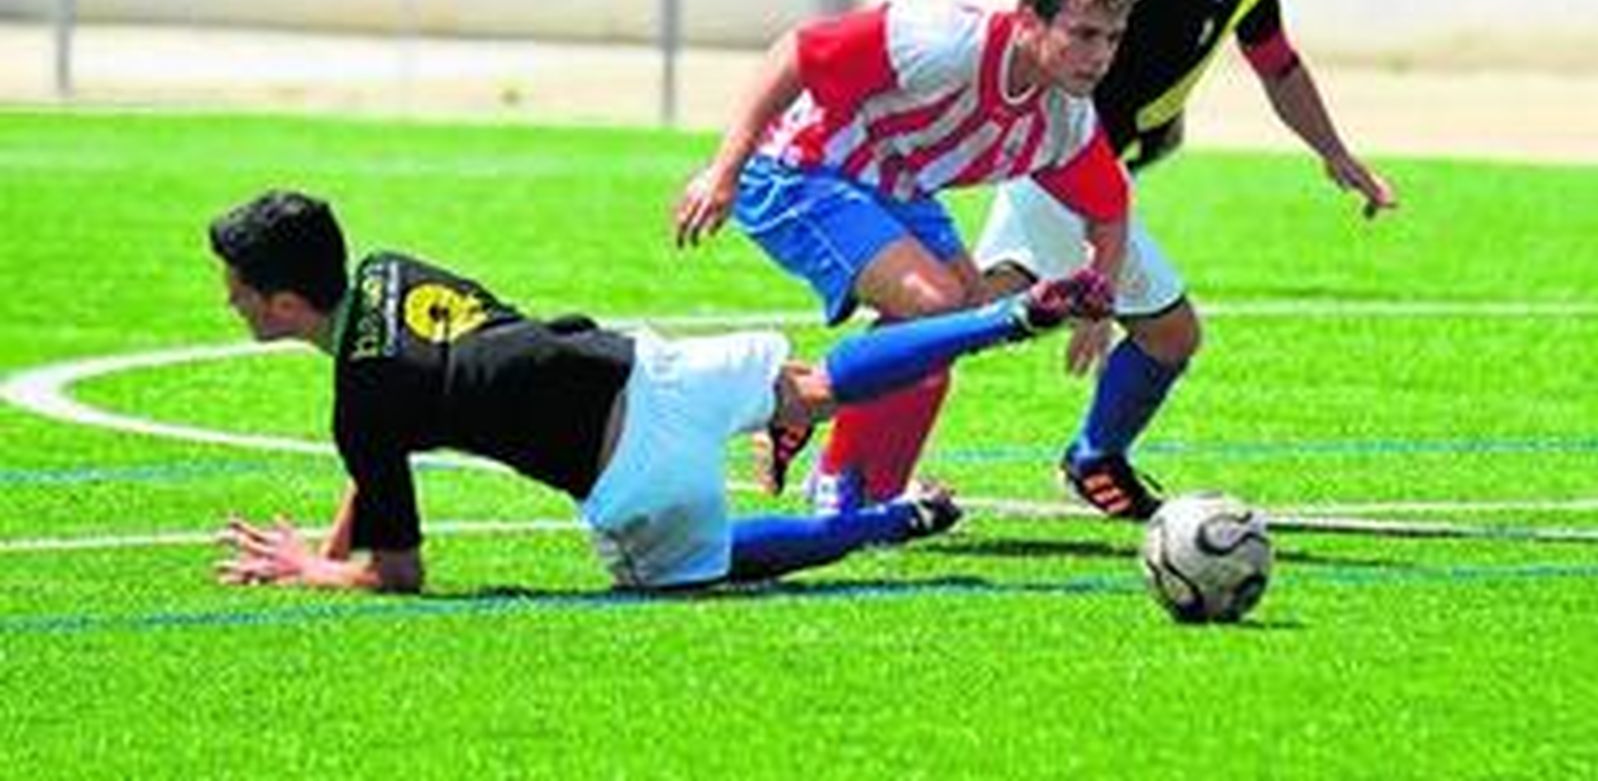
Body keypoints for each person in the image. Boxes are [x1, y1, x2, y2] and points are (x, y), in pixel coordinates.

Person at [209, 190, 1113, 593]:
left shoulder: (361, 405)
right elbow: (387, 433)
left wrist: (321, 564)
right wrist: (347, 513)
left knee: (709, 564)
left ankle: (892, 520)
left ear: (286, 305)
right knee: (812, 387)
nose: (230, 300)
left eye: (238, 288)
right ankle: (1014, 317)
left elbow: (399, 573)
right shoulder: (389, 273)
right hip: (649, 367)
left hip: (633, 479)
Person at [973, 0, 1399, 520]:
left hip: (1083, 176)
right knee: (1171, 332)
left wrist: (1334, 152)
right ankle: (1093, 457)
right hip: (1066, 174)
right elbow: (1040, 29)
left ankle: (820, 396)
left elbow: (1279, 68)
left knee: (962, 306)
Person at [673, 0, 1142, 513]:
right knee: (937, 306)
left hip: (892, 186)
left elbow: (1110, 208)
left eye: (1113, 38)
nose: (1101, 55)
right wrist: (725, 170)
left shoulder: (1064, 118)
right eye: (1085, 34)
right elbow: (793, 53)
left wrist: (1102, 297)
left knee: (955, 319)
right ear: (1028, 22)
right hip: (799, 166)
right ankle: (829, 472)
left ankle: (875, 489)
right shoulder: (943, 39)